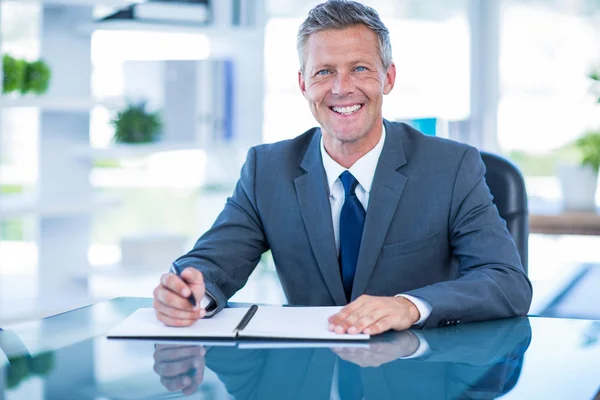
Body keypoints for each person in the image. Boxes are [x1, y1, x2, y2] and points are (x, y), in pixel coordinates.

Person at [153, 0, 532, 335]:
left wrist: (408, 305)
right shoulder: (266, 170)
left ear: (389, 78)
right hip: (311, 376)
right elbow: (212, 263)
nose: (341, 88)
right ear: (303, 84)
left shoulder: (452, 167)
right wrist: (188, 291)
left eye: (361, 68)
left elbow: (506, 282)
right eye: (323, 72)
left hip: (419, 374)